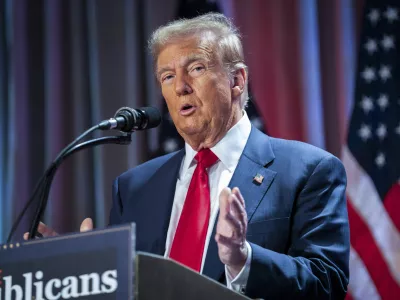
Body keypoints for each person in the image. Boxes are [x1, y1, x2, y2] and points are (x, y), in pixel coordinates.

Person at [29, 13, 350, 299]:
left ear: (237, 80)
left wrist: (243, 259)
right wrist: (80, 271)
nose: (180, 87)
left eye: (196, 68)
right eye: (167, 76)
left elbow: (327, 282)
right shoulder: (134, 187)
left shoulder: (308, 171)